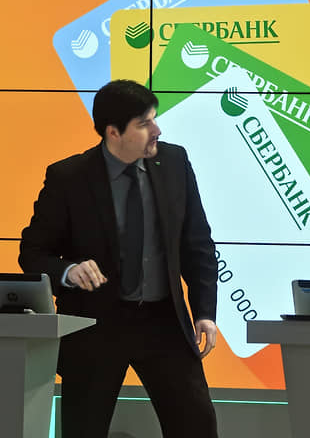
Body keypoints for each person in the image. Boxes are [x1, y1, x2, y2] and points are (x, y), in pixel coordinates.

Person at [19, 80, 218, 437]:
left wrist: (205, 311)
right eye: (144, 123)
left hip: (164, 322)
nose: (157, 130)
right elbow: (32, 253)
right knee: (84, 429)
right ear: (114, 132)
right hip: (95, 325)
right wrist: (69, 270)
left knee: (197, 426)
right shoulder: (69, 178)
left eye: (154, 119)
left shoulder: (174, 162)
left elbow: (197, 243)